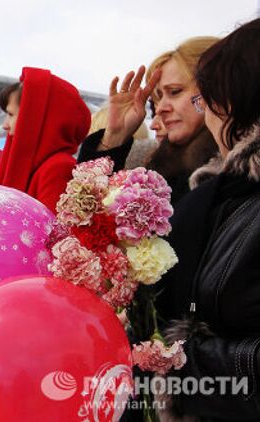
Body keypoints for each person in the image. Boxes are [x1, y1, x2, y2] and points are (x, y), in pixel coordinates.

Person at [133, 18, 260, 420]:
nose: (163, 109)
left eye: (179, 92)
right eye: (157, 99)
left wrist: (179, 360)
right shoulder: (215, 188)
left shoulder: (226, 192)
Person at [78, 37, 220, 204]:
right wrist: (115, 135)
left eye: (174, 91)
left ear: (215, 88)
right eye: (158, 98)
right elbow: (85, 211)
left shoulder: (236, 175)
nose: (160, 108)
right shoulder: (161, 171)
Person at [0, 67, 91, 212]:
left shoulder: (57, 168)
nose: (5, 125)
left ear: (34, 118)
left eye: (11, 114)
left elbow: (49, 232)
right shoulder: (41, 167)